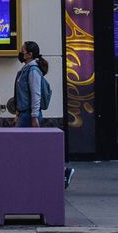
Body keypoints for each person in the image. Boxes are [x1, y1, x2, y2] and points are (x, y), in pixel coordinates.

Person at [13, 40, 76, 190]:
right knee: (30, 149)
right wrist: (17, 113)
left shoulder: (33, 71)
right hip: (24, 114)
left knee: (29, 148)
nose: (20, 52)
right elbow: (22, 95)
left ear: (30, 54)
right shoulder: (26, 69)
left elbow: (36, 94)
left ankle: (62, 172)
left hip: (29, 115)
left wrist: (34, 116)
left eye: (23, 50)